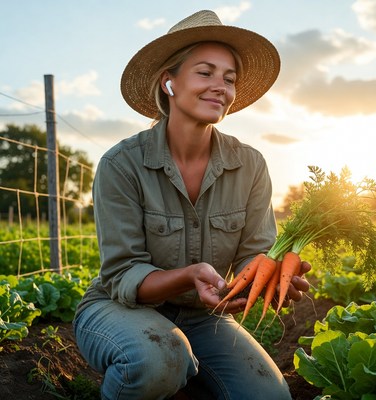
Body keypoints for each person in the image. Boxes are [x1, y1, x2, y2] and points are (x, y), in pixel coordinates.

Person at [73, 9, 311, 400]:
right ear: (169, 82)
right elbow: (123, 275)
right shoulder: (122, 164)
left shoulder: (249, 165)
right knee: (156, 360)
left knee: (269, 396)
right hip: (120, 309)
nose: (221, 85)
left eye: (229, 78)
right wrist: (188, 276)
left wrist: (267, 280)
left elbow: (256, 253)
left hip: (203, 318)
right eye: (205, 72)